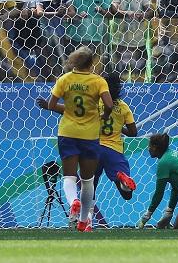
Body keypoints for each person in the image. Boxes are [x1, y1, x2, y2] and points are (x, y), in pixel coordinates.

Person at [38, 73, 138, 230]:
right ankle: (121, 177)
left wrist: (48, 106)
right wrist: (120, 128)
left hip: (94, 147)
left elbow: (71, 112)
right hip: (114, 150)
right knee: (127, 194)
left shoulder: (95, 102)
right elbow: (133, 132)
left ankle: (88, 221)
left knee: (89, 186)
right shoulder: (124, 107)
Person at [47, 46, 113, 232]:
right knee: (87, 180)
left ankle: (73, 201)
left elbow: (52, 105)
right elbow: (109, 104)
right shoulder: (98, 81)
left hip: (67, 132)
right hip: (89, 135)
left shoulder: (65, 79)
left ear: (73, 62)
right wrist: (105, 116)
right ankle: (84, 221)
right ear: (91, 63)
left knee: (69, 176)